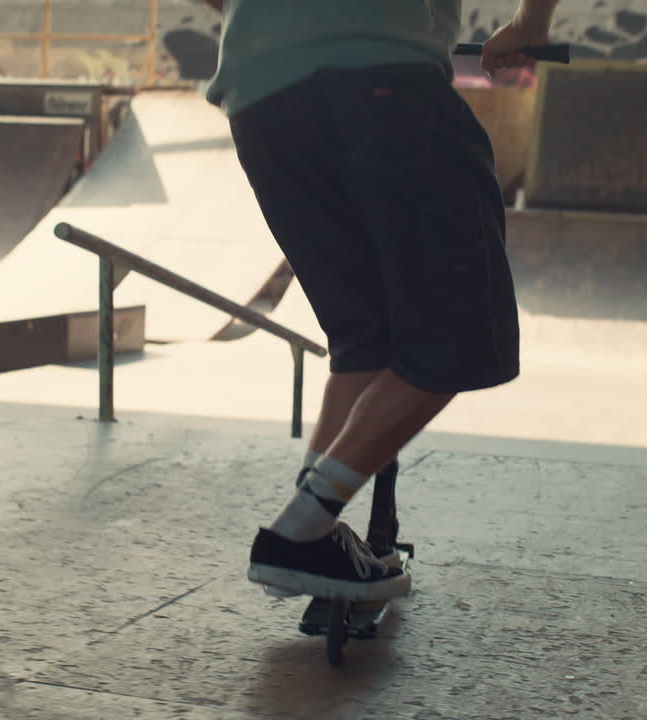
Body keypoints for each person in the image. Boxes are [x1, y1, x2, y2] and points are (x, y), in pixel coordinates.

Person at [198, 0, 560, 601]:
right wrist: (529, 28)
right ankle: (300, 531)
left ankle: (311, 535)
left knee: (367, 338)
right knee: (462, 334)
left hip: (262, 99)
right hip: (385, 83)